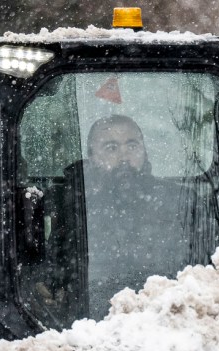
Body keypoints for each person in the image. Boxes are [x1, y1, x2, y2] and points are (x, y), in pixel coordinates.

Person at [81, 115, 190, 318]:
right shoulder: (79, 208)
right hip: (91, 323)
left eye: (132, 146)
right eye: (111, 148)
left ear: (144, 150)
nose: (124, 157)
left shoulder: (180, 201)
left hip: (173, 316)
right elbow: (57, 280)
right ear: (92, 157)